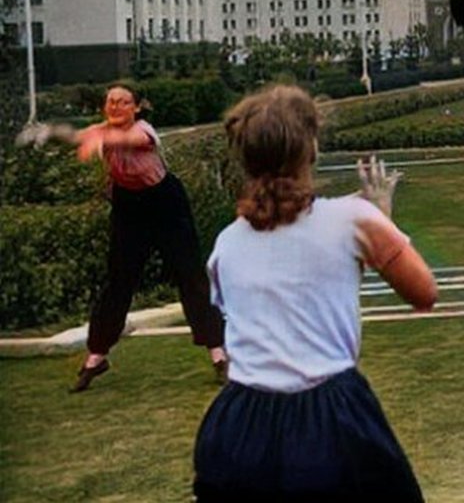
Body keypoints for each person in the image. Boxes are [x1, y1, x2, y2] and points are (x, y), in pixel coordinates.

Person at [192, 85, 436, 502]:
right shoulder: (353, 219)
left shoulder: (226, 243)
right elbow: (424, 293)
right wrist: (381, 219)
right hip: (331, 419)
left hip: (238, 426)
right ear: (312, 148)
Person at [54, 84, 227, 392]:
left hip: (166, 204)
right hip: (128, 207)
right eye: (111, 102)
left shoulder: (143, 130)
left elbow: (126, 139)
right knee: (118, 281)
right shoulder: (102, 129)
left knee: (190, 277)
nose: (116, 107)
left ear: (136, 108)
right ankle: (96, 357)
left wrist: (94, 137)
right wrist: (52, 133)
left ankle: (218, 353)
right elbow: (82, 139)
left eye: (123, 102)